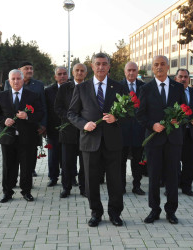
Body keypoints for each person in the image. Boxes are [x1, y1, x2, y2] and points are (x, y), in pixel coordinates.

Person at [68, 53, 126, 227]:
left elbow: (129, 113)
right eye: (97, 64)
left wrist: (116, 118)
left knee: (115, 180)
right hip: (90, 142)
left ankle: (115, 213)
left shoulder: (119, 87)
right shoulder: (81, 88)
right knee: (91, 180)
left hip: (112, 142)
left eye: (104, 64)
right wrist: (84, 125)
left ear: (109, 67)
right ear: (92, 67)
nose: (101, 67)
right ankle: (96, 213)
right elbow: (71, 113)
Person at [136, 55, 185, 224]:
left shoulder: (178, 87)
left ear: (167, 67)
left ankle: (171, 211)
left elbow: (185, 111)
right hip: (154, 139)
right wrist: (152, 125)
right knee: (154, 177)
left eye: (162, 64)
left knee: (172, 176)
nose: (159, 67)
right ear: (152, 68)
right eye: (156, 64)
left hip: (173, 140)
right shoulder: (146, 89)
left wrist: (179, 120)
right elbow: (140, 115)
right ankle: (154, 210)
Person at [0, 69, 43, 203]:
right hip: (8, 138)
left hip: (27, 138)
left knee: (26, 166)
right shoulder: (2, 96)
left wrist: (28, 116)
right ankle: (7, 192)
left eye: (18, 79)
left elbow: (40, 113)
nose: (16, 81)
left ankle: (26, 192)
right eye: (13, 79)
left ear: (22, 80)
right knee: (8, 166)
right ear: (9, 81)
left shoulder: (32, 95)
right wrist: (3, 121)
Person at [4, 61, 47, 178]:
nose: (29, 71)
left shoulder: (38, 85)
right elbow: (6, 104)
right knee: (13, 153)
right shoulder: (9, 82)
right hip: (14, 126)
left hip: (33, 124)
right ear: (20, 70)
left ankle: (30, 170)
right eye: (26, 68)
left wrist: (43, 124)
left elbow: (43, 106)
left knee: (32, 150)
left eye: (31, 68)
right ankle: (15, 174)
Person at [54, 64, 87, 198]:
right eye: (77, 70)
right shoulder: (64, 88)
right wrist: (70, 118)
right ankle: (66, 188)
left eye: (82, 71)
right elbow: (58, 107)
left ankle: (84, 188)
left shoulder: (89, 87)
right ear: (72, 73)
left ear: (86, 73)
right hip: (68, 130)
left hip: (86, 131)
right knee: (67, 162)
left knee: (85, 163)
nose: (79, 73)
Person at [120, 62, 146, 195]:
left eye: (134, 70)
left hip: (139, 131)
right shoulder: (118, 86)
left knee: (137, 161)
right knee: (121, 161)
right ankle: (122, 186)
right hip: (122, 131)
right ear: (125, 72)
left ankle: (137, 185)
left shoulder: (144, 87)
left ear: (137, 72)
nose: (131, 73)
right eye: (129, 70)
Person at [44, 67, 65, 188]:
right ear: (55, 77)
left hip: (69, 128)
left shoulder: (73, 88)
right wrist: (44, 126)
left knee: (68, 154)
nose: (62, 76)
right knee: (53, 154)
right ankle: (53, 177)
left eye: (64, 74)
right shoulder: (48, 91)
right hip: (53, 128)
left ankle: (70, 176)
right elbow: (45, 109)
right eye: (59, 74)